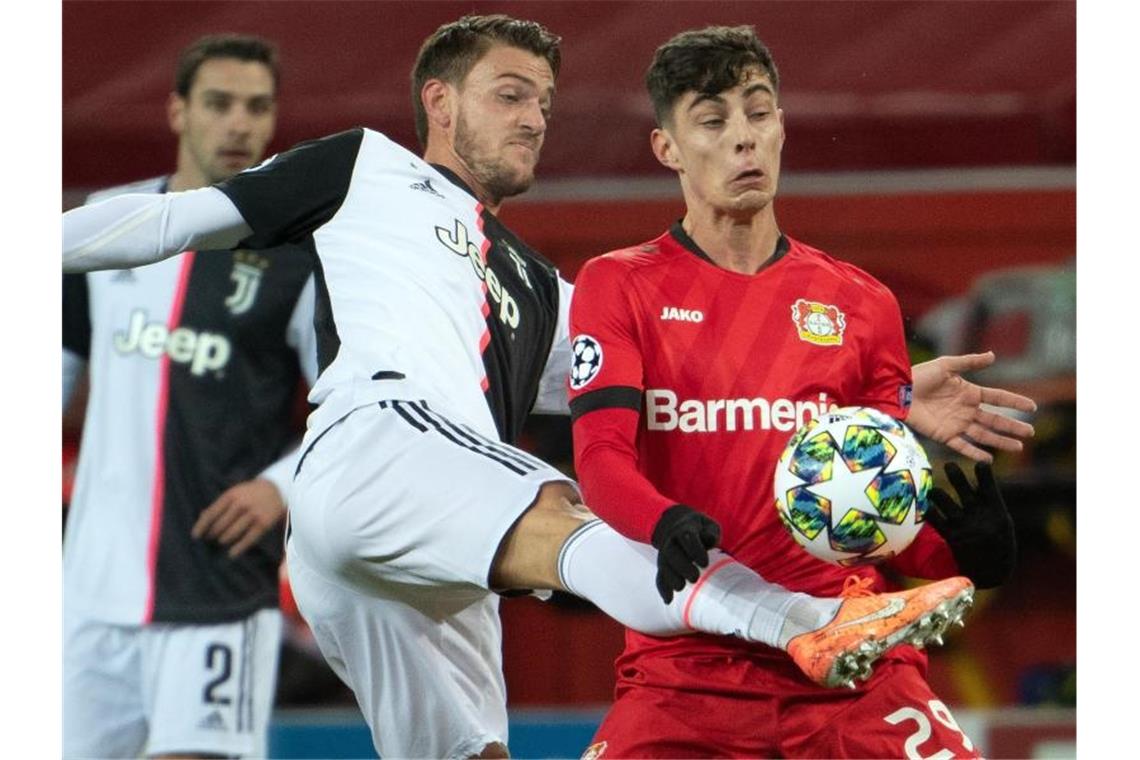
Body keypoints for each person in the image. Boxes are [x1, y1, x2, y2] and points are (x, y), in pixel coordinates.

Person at [63, 15, 1027, 758]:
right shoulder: (366, 167)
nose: (533, 120)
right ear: (438, 102)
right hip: (379, 441)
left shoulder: (541, 286)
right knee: (578, 516)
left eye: (544, 106)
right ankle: (804, 622)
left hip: (427, 547)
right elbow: (168, 223)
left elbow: (691, 395)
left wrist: (890, 411)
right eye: (510, 95)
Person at [568, 25, 1030, 758]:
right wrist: (662, 522)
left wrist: (962, 555)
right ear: (668, 149)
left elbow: (870, 520)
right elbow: (599, 460)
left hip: (857, 670)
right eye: (714, 121)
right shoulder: (618, 284)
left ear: (782, 125)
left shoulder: (860, 302)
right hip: (688, 675)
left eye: (759, 112)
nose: (744, 139)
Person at [62, 34, 317, 759]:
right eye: (219, 103)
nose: (238, 124)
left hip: (219, 593)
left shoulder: (300, 258)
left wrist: (279, 486)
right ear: (178, 111)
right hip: (87, 596)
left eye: (256, 107)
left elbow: (351, 408)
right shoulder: (108, 220)